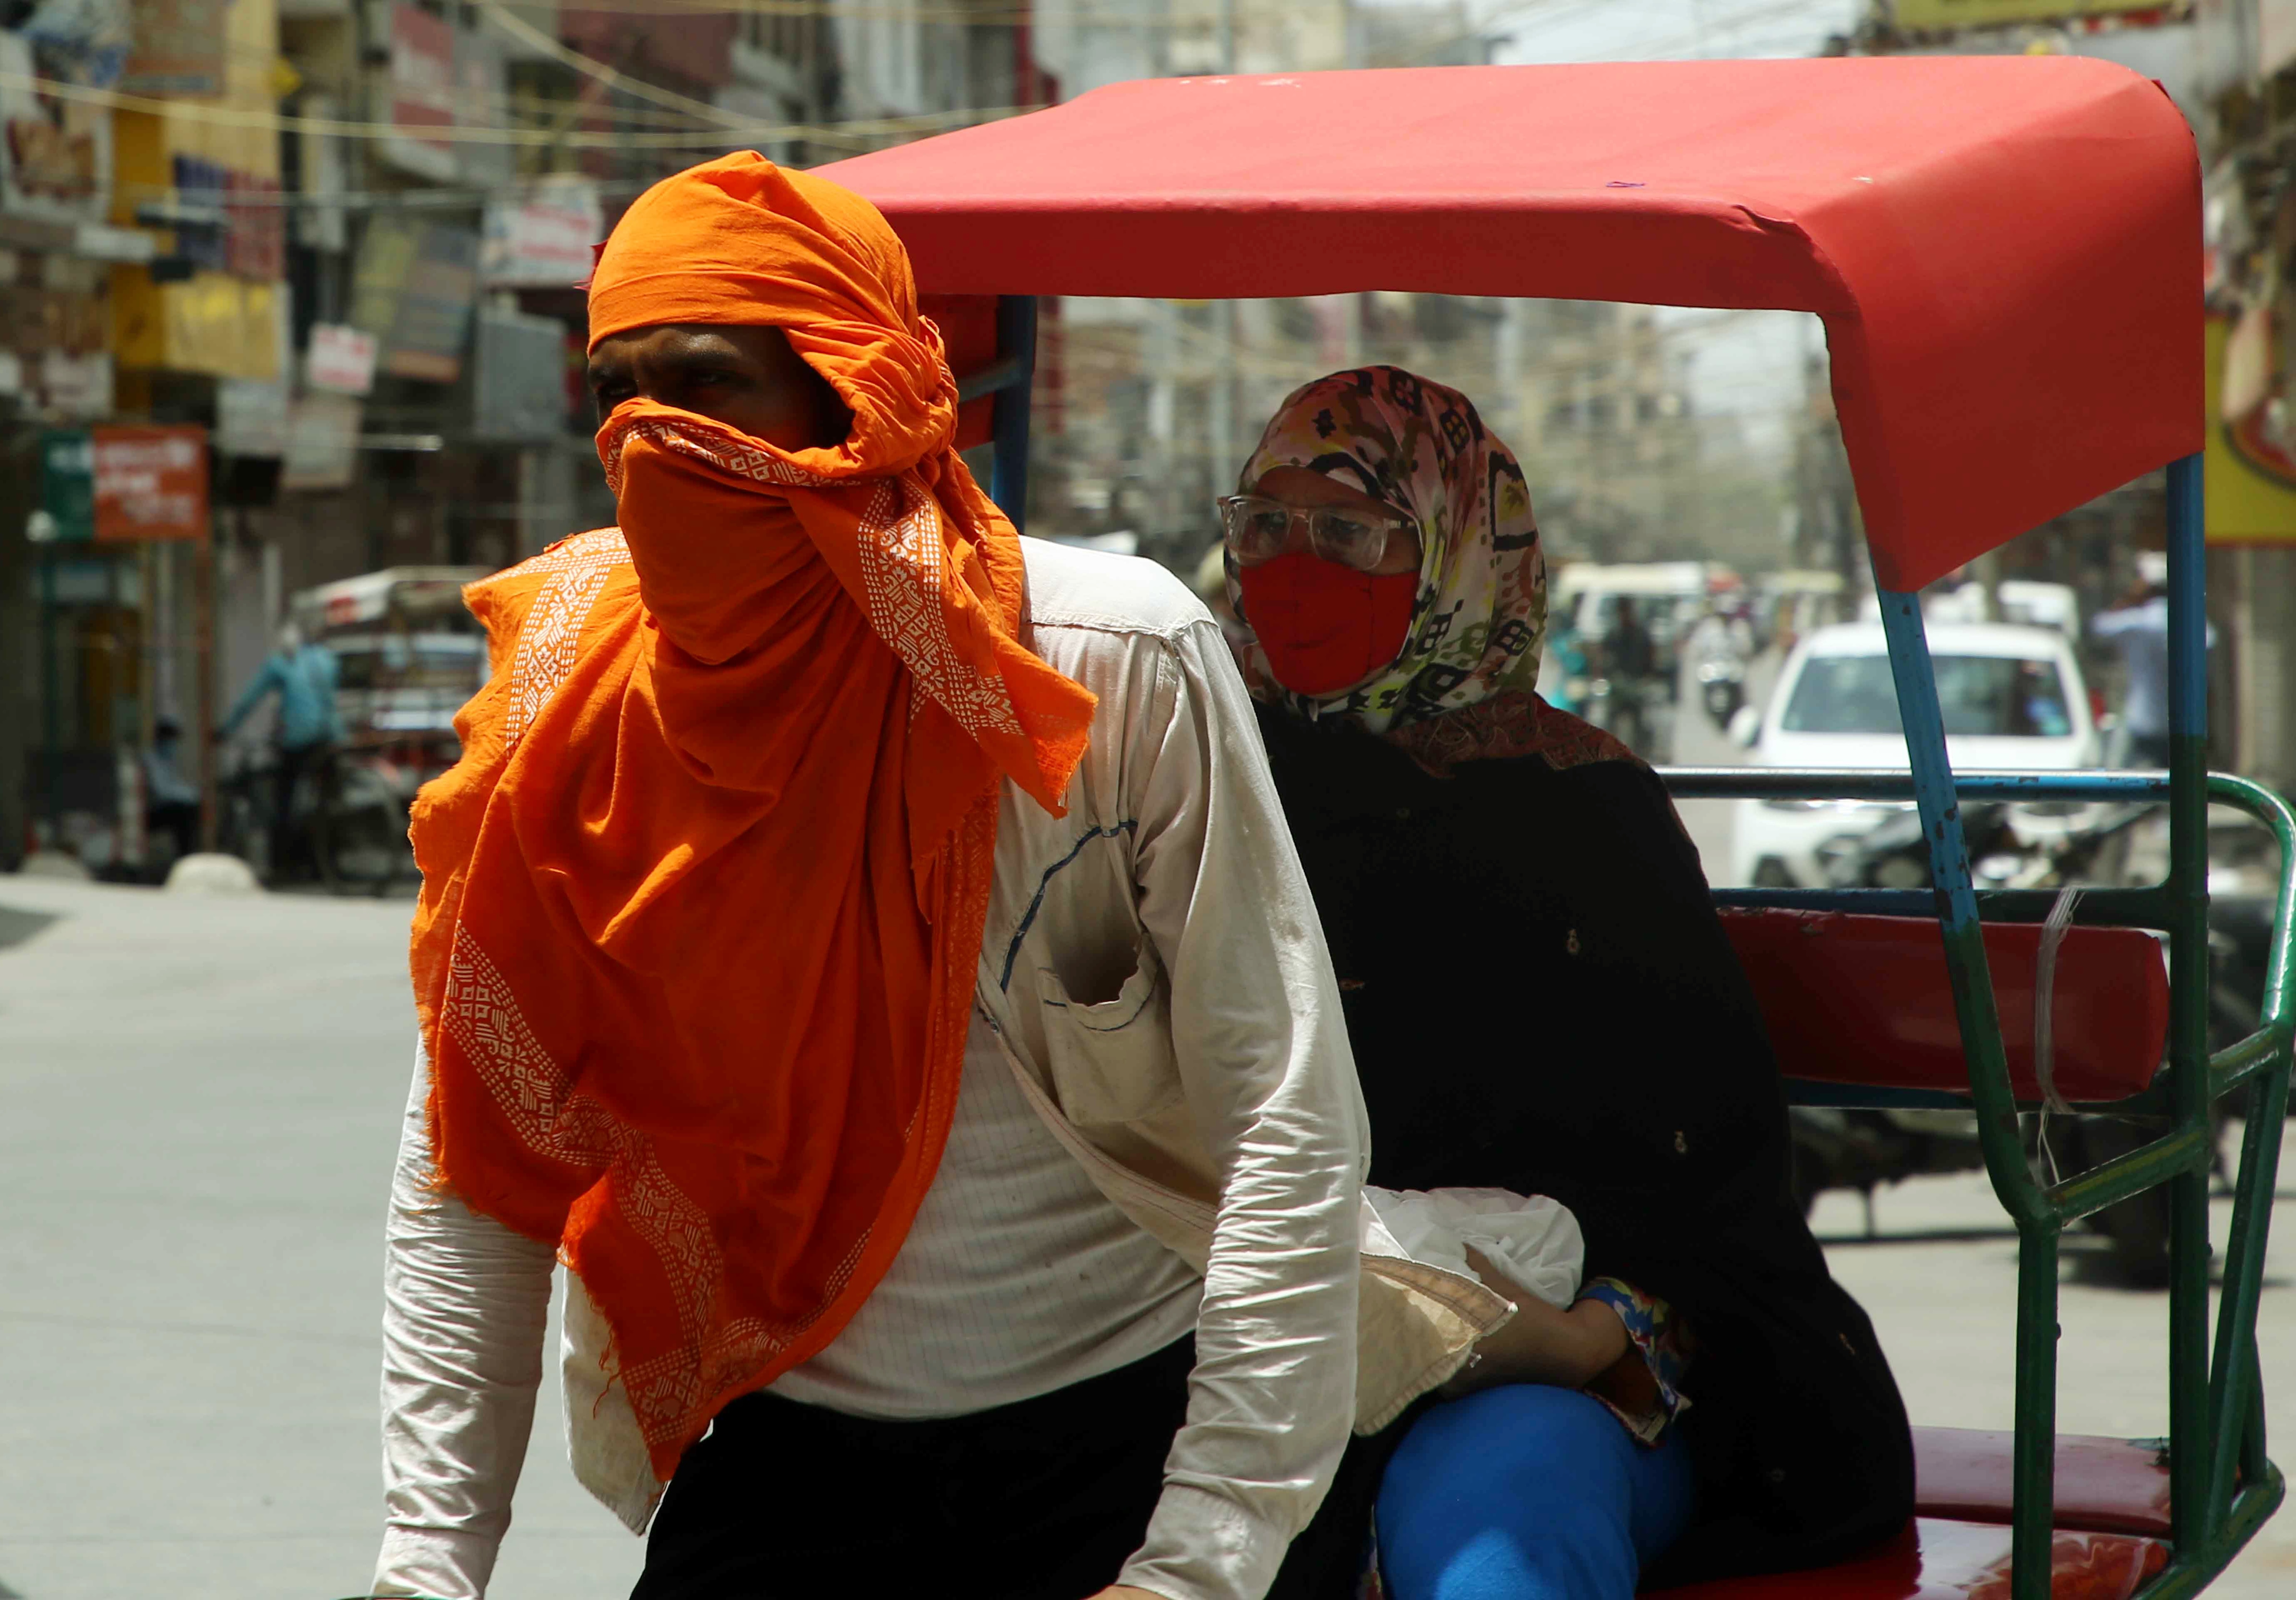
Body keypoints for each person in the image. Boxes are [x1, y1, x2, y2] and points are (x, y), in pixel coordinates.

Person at [372, 155, 1575, 1600]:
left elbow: (1282, 1113)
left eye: (704, 385)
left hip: (1126, 1422)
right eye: (614, 390)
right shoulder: (577, 695)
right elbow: (475, 1163)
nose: (652, 441)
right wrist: (424, 1569)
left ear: (854, 392)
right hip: (793, 1430)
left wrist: (1196, 1560)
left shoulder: (1098, 657)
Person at [1223, 368, 1915, 1599]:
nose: (1292, 563)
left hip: (1566, 1362)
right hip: (1247, 1345)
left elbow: (1708, 1178)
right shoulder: (1203, 777)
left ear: (1449, 550)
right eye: (1263, 524)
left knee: (1498, 1534)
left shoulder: (1585, 819)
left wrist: (1575, 1335)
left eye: (1349, 531)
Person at [217, 620, 344, 870]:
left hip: (300, 740)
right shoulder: (326, 658)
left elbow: (250, 699)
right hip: (332, 737)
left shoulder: (280, 663)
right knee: (328, 799)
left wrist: (225, 730)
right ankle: (328, 859)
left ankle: (285, 861)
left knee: (285, 796)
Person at [2090, 551, 2209, 770]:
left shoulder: (2136, 622)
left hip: (2141, 719)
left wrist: (2129, 599)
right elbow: (2210, 641)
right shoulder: (2188, 622)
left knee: (2119, 782)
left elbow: (2099, 626)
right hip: (2181, 723)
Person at [142, 716, 202, 863]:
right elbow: (163, 791)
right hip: (149, 812)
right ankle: (185, 859)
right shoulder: (151, 760)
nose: (173, 744)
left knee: (191, 810)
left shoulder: (168, 761)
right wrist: (192, 795)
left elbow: (175, 785)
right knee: (184, 813)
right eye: (171, 740)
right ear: (162, 739)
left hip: (163, 809)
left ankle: (191, 856)